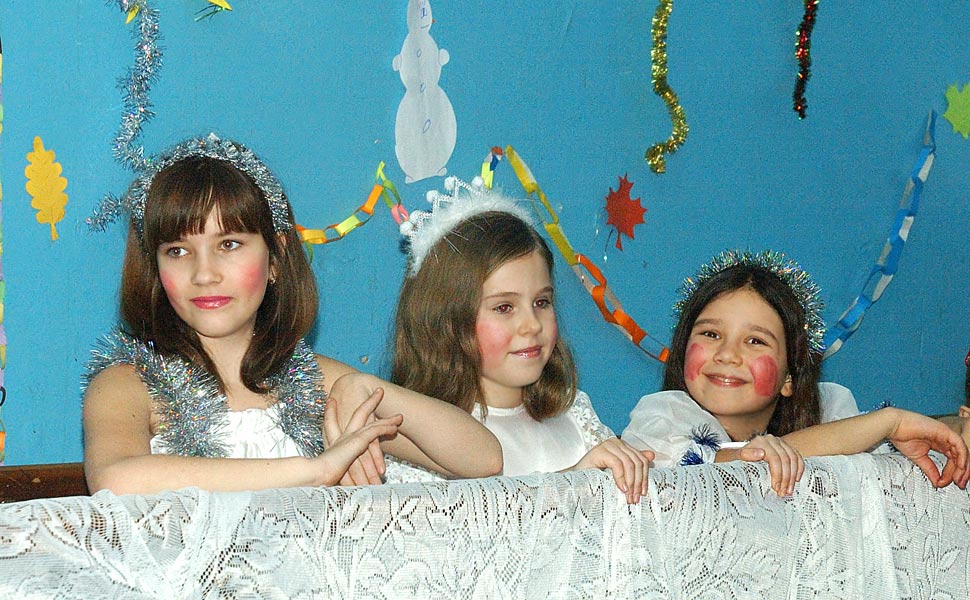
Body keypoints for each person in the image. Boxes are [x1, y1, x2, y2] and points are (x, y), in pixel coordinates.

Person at [82, 134, 502, 495]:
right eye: (177, 251)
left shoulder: (313, 381)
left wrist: (367, 386)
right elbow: (115, 479)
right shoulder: (127, 385)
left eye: (229, 244)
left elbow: (483, 458)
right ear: (154, 268)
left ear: (276, 257)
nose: (204, 274)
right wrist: (316, 471)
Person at [343, 177, 651, 503]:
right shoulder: (419, 442)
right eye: (504, 307)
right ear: (447, 322)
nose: (531, 324)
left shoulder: (575, 415)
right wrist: (575, 482)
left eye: (541, 302)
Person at [621, 250, 970, 497]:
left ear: (790, 377)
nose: (727, 354)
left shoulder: (830, 414)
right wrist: (889, 421)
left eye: (755, 341)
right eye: (711, 334)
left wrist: (957, 429)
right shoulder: (661, 419)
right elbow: (719, 473)